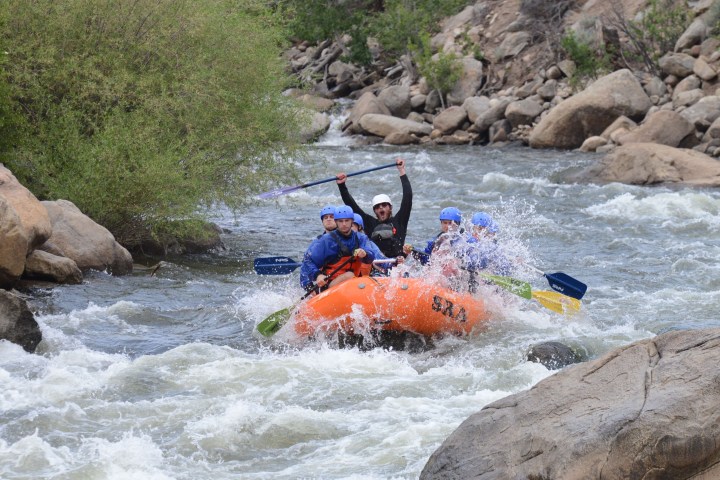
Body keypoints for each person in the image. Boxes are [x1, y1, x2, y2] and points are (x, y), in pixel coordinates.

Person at [335, 158, 411, 260]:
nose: (381, 208)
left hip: (398, 263)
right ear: (375, 211)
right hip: (377, 264)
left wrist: (402, 171)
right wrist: (341, 185)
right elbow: (352, 206)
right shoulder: (370, 223)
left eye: (384, 205)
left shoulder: (400, 221)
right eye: (377, 207)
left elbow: (408, 198)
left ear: (390, 208)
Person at [300, 205, 376, 292]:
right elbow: (308, 261)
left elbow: (371, 256)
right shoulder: (325, 240)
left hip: (355, 284)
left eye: (347, 221)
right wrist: (317, 275)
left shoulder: (361, 238)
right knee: (349, 275)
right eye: (340, 221)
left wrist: (365, 253)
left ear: (352, 221)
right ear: (336, 222)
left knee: (352, 276)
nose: (344, 224)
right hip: (331, 286)